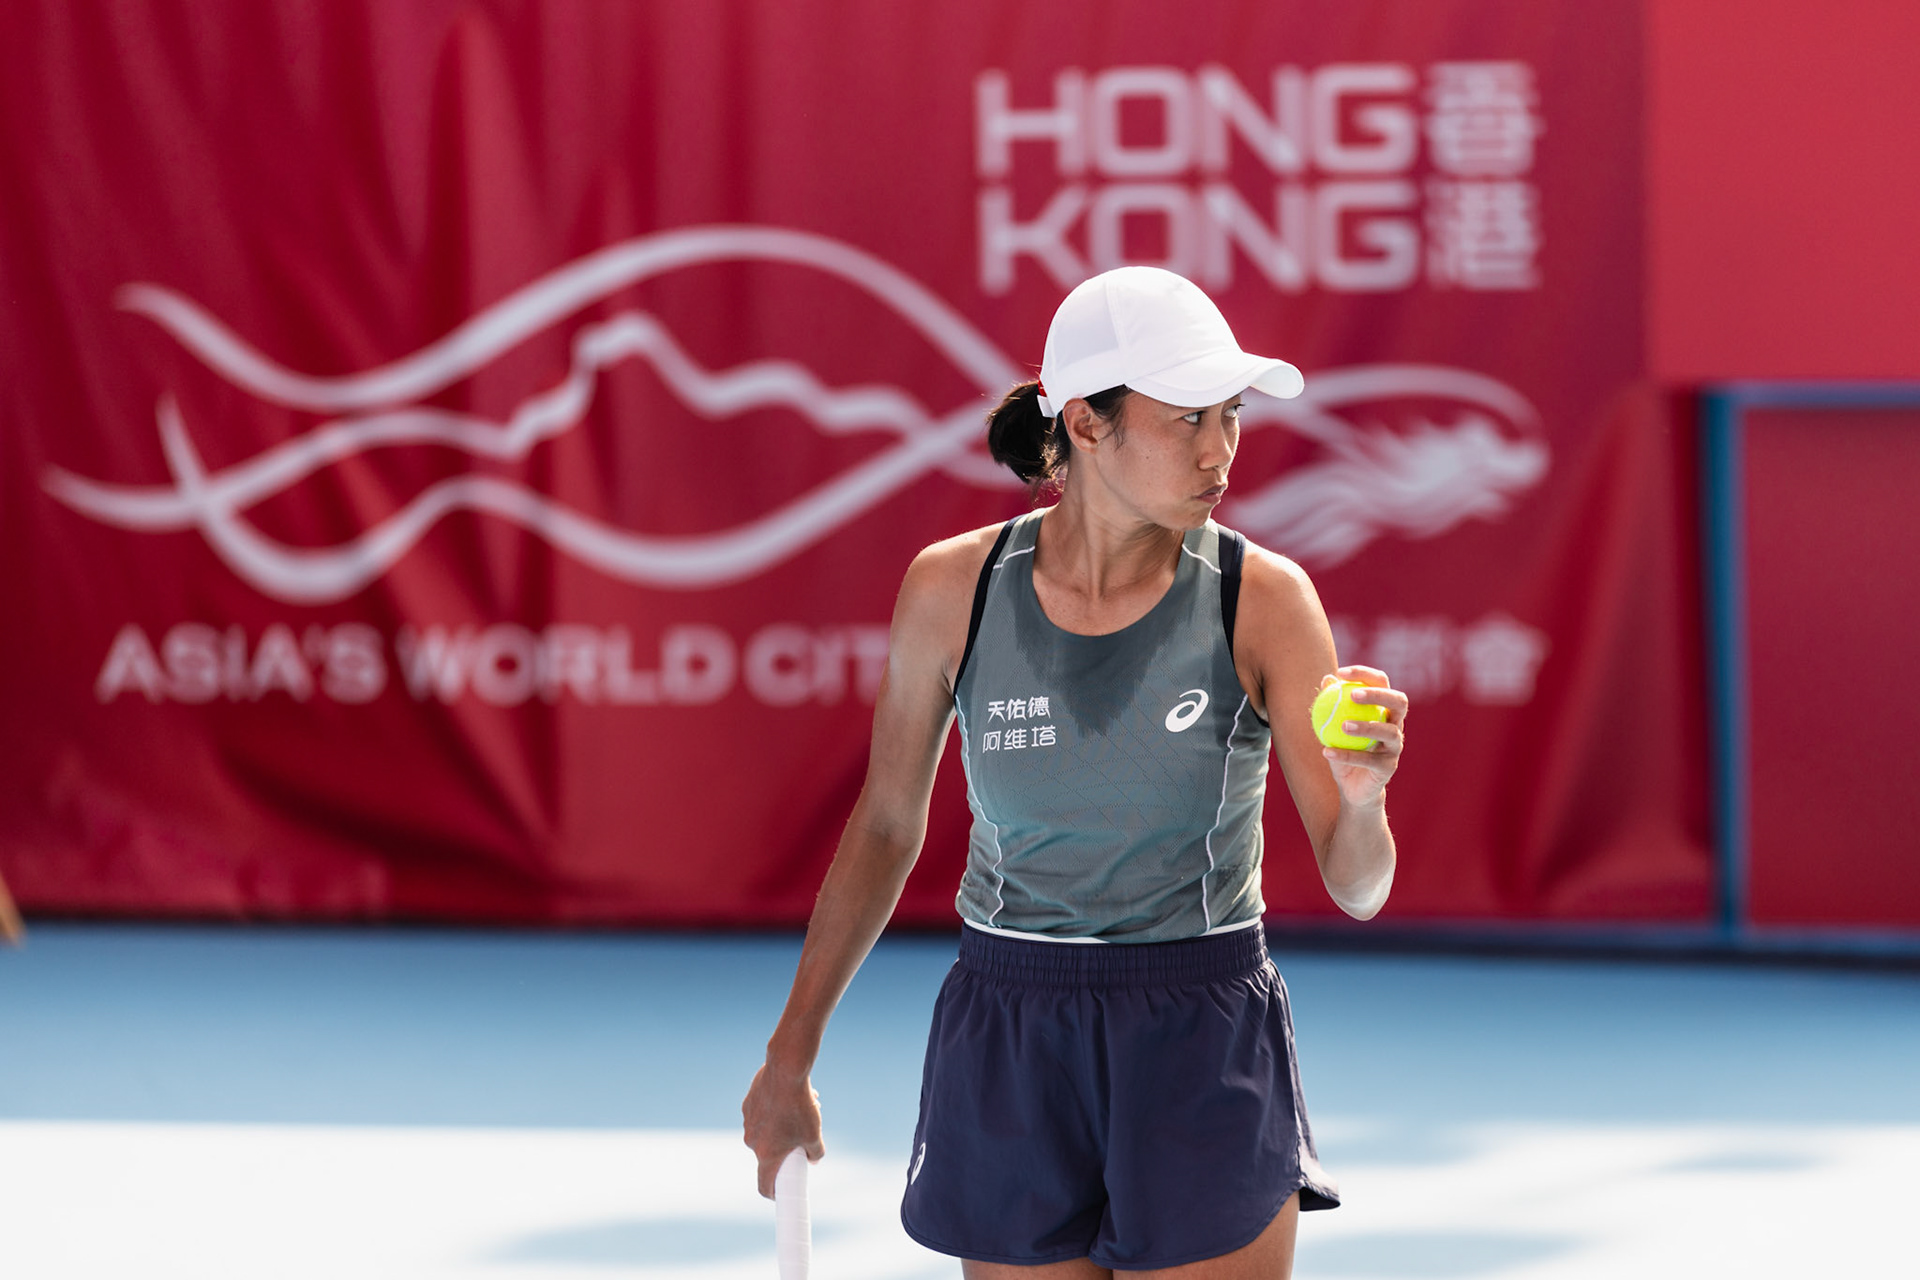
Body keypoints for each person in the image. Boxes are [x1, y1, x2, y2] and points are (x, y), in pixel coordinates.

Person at [742, 266, 1405, 1278]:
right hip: (1010, 1030)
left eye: (1229, 415)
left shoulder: (1266, 599)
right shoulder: (950, 587)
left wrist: (1364, 803)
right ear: (1086, 426)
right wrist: (792, 1050)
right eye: (1188, 418)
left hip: (1201, 1026)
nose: (1220, 450)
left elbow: (1360, 886)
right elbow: (885, 825)